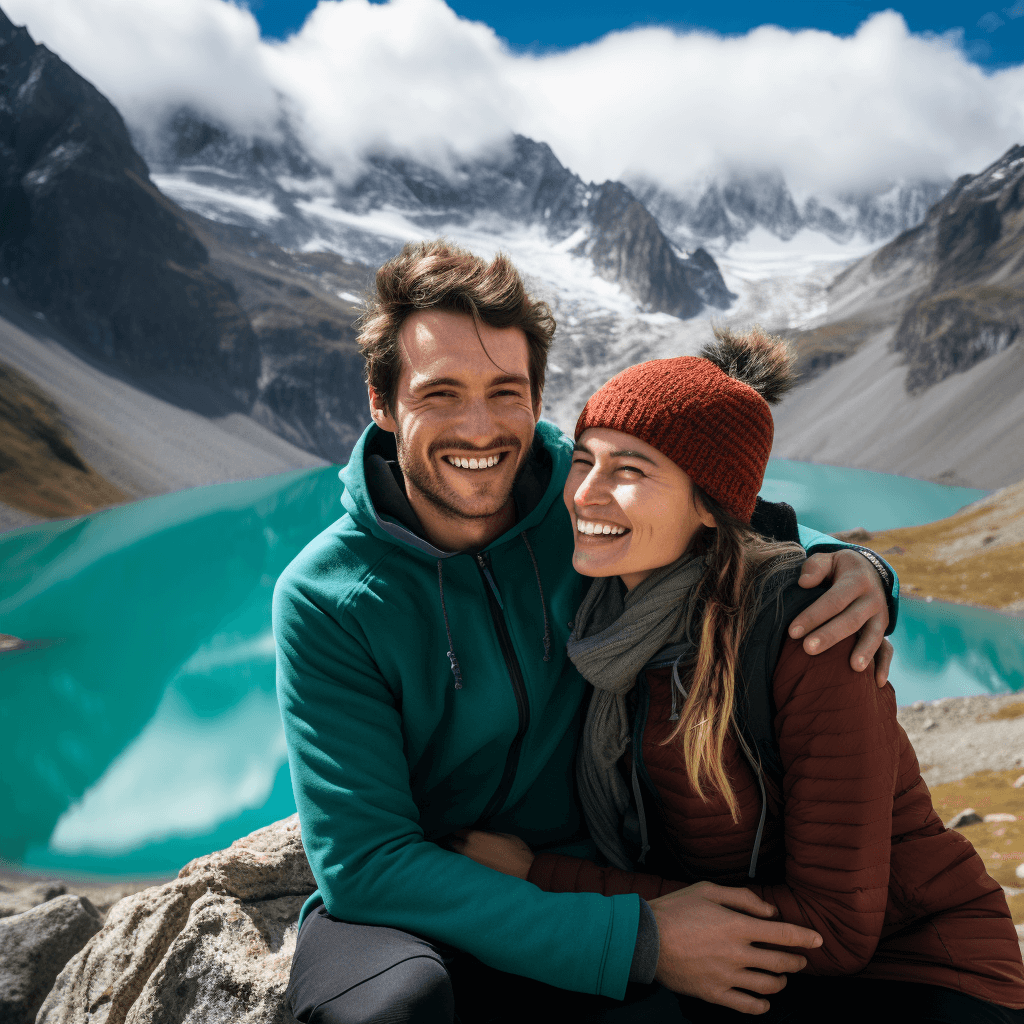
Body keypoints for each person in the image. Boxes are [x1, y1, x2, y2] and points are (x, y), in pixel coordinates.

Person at [274, 240, 900, 1024]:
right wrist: (636, 939)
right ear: (381, 400)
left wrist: (855, 565)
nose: (479, 429)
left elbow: (731, 522)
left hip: (580, 869)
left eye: (506, 391)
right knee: (386, 1013)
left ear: (538, 397)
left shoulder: (585, 501)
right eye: (440, 394)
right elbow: (367, 864)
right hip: (418, 896)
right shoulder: (325, 595)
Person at [453, 330, 1024, 1023]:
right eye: (585, 462)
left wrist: (539, 878)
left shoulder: (803, 632)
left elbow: (835, 928)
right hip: (752, 958)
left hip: (920, 970)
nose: (587, 495)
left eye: (630, 471)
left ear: (710, 505)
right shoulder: (607, 620)